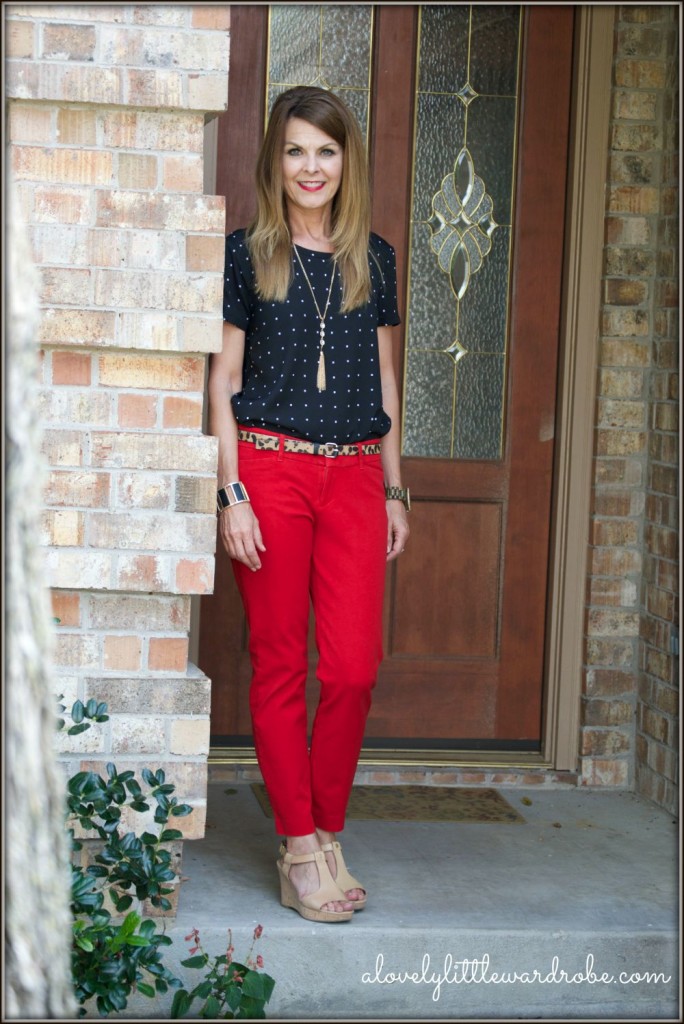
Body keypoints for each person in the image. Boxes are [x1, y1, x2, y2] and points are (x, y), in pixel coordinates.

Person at [208, 86, 410, 924]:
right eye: (295, 150)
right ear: (276, 161)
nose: (311, 167)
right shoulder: (247, 255)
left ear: (345, 160)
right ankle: (300, 846)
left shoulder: (375, 259)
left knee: (355, 669)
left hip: (357, 476)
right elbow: (223, 381)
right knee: (282, 663)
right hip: (272, 471)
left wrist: (394, 486)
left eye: (325, 151)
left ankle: (327, 828)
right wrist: (233, 494)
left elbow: (387, 380)